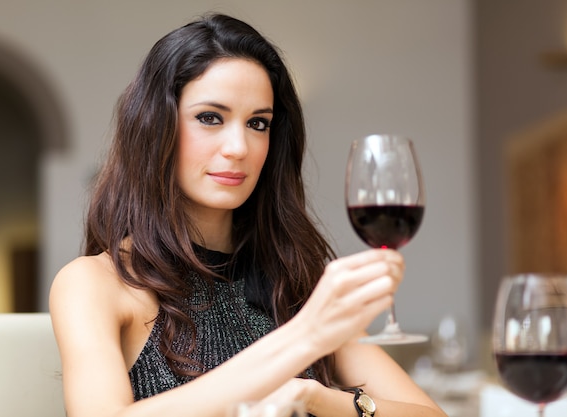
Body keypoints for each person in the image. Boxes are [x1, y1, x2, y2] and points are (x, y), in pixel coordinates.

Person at [49, 13, 447, 417]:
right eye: (210, 118)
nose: (239, 146)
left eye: (258, 123)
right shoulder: (98, 283)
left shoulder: (291, 279)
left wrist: (317, 398)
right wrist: (304, 337)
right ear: (156, 127)